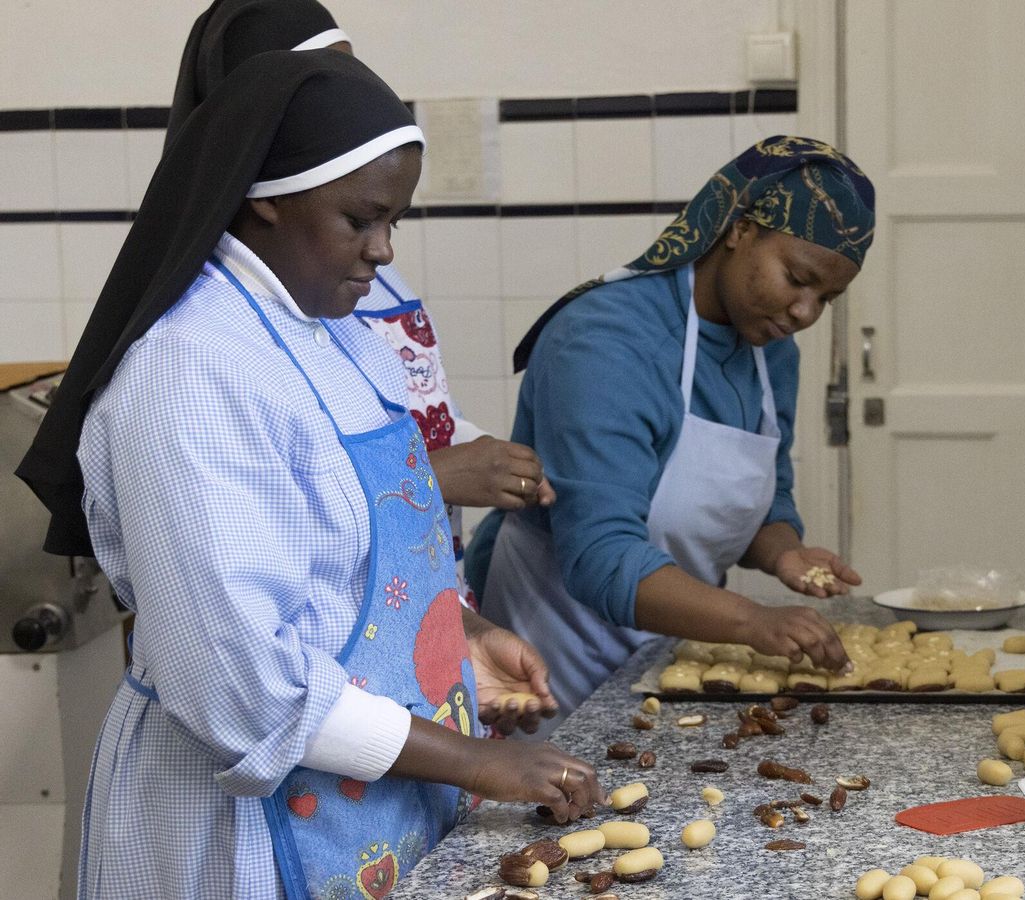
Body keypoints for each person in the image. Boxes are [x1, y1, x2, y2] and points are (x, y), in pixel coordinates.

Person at [16, 51, 599, 899]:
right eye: (360, 219)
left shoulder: (336, 331)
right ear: (266, 195)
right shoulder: (191, 372)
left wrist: (456, 644)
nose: (381, 251)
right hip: (242, 824)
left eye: (394, 220)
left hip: (380, 794)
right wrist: (480, 762)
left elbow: (353, 556)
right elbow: (238, 684)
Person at [169, 0, 556, 619]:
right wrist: (436, 474)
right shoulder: (199, 343)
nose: (343, 99)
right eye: (313, 86)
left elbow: (413, 409)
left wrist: (485, 453)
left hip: (407, 590)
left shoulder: (359, 261)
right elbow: (279, 521)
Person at [473, 137, 874, 724]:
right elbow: (600, 557)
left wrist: (784, 553)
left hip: (669, 655)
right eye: (796, 278)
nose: (805, 313)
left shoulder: (770, 351)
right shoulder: (606, 341)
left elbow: (766, 494)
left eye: (827, 298)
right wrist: (751, 621)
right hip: (552, 657)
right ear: (738, 229)